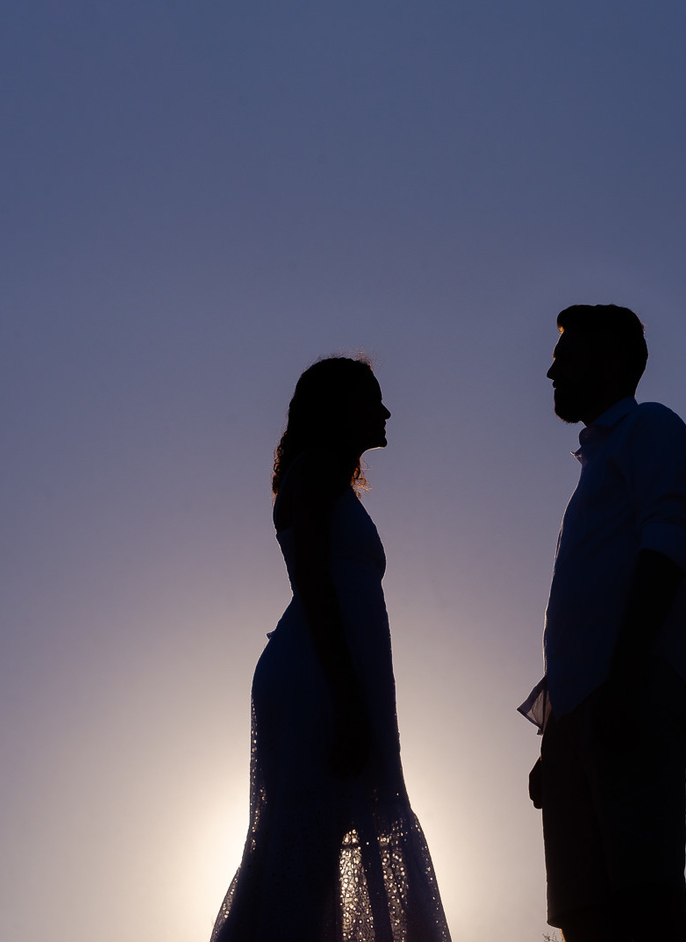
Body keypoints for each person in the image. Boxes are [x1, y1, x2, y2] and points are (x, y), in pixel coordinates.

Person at [211, 355, 452, 942]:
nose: (386, 411)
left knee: (310, 845)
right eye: (372, 398)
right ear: (340, 408)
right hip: (319, 674)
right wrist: (347, 699)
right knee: (304, 844)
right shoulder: (315, 468)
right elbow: (314, 582)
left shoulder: (328, 478)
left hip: (331, 671)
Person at [520, 305, 686, 942]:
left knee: (645, 903)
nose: (551, 370)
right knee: (583, 917)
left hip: (630, 692)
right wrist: (556, 738)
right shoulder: (595, 464)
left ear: (612, 361)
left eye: (565, 355)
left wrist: (623, 682)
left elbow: (666, 546)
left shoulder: (651, 429)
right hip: (582, 714)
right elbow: (581, 612)